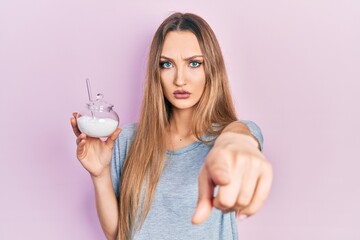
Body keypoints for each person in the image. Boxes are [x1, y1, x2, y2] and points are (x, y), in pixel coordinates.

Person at [71, 12, 273, 240]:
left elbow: (242, 135)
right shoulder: (126, 139)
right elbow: (118, 233)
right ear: (156, 72)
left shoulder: (228, 136)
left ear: (212, 70)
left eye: (194, 63)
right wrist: (99, 175)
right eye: (167, 64)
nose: (180, 79)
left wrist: (238, 143)